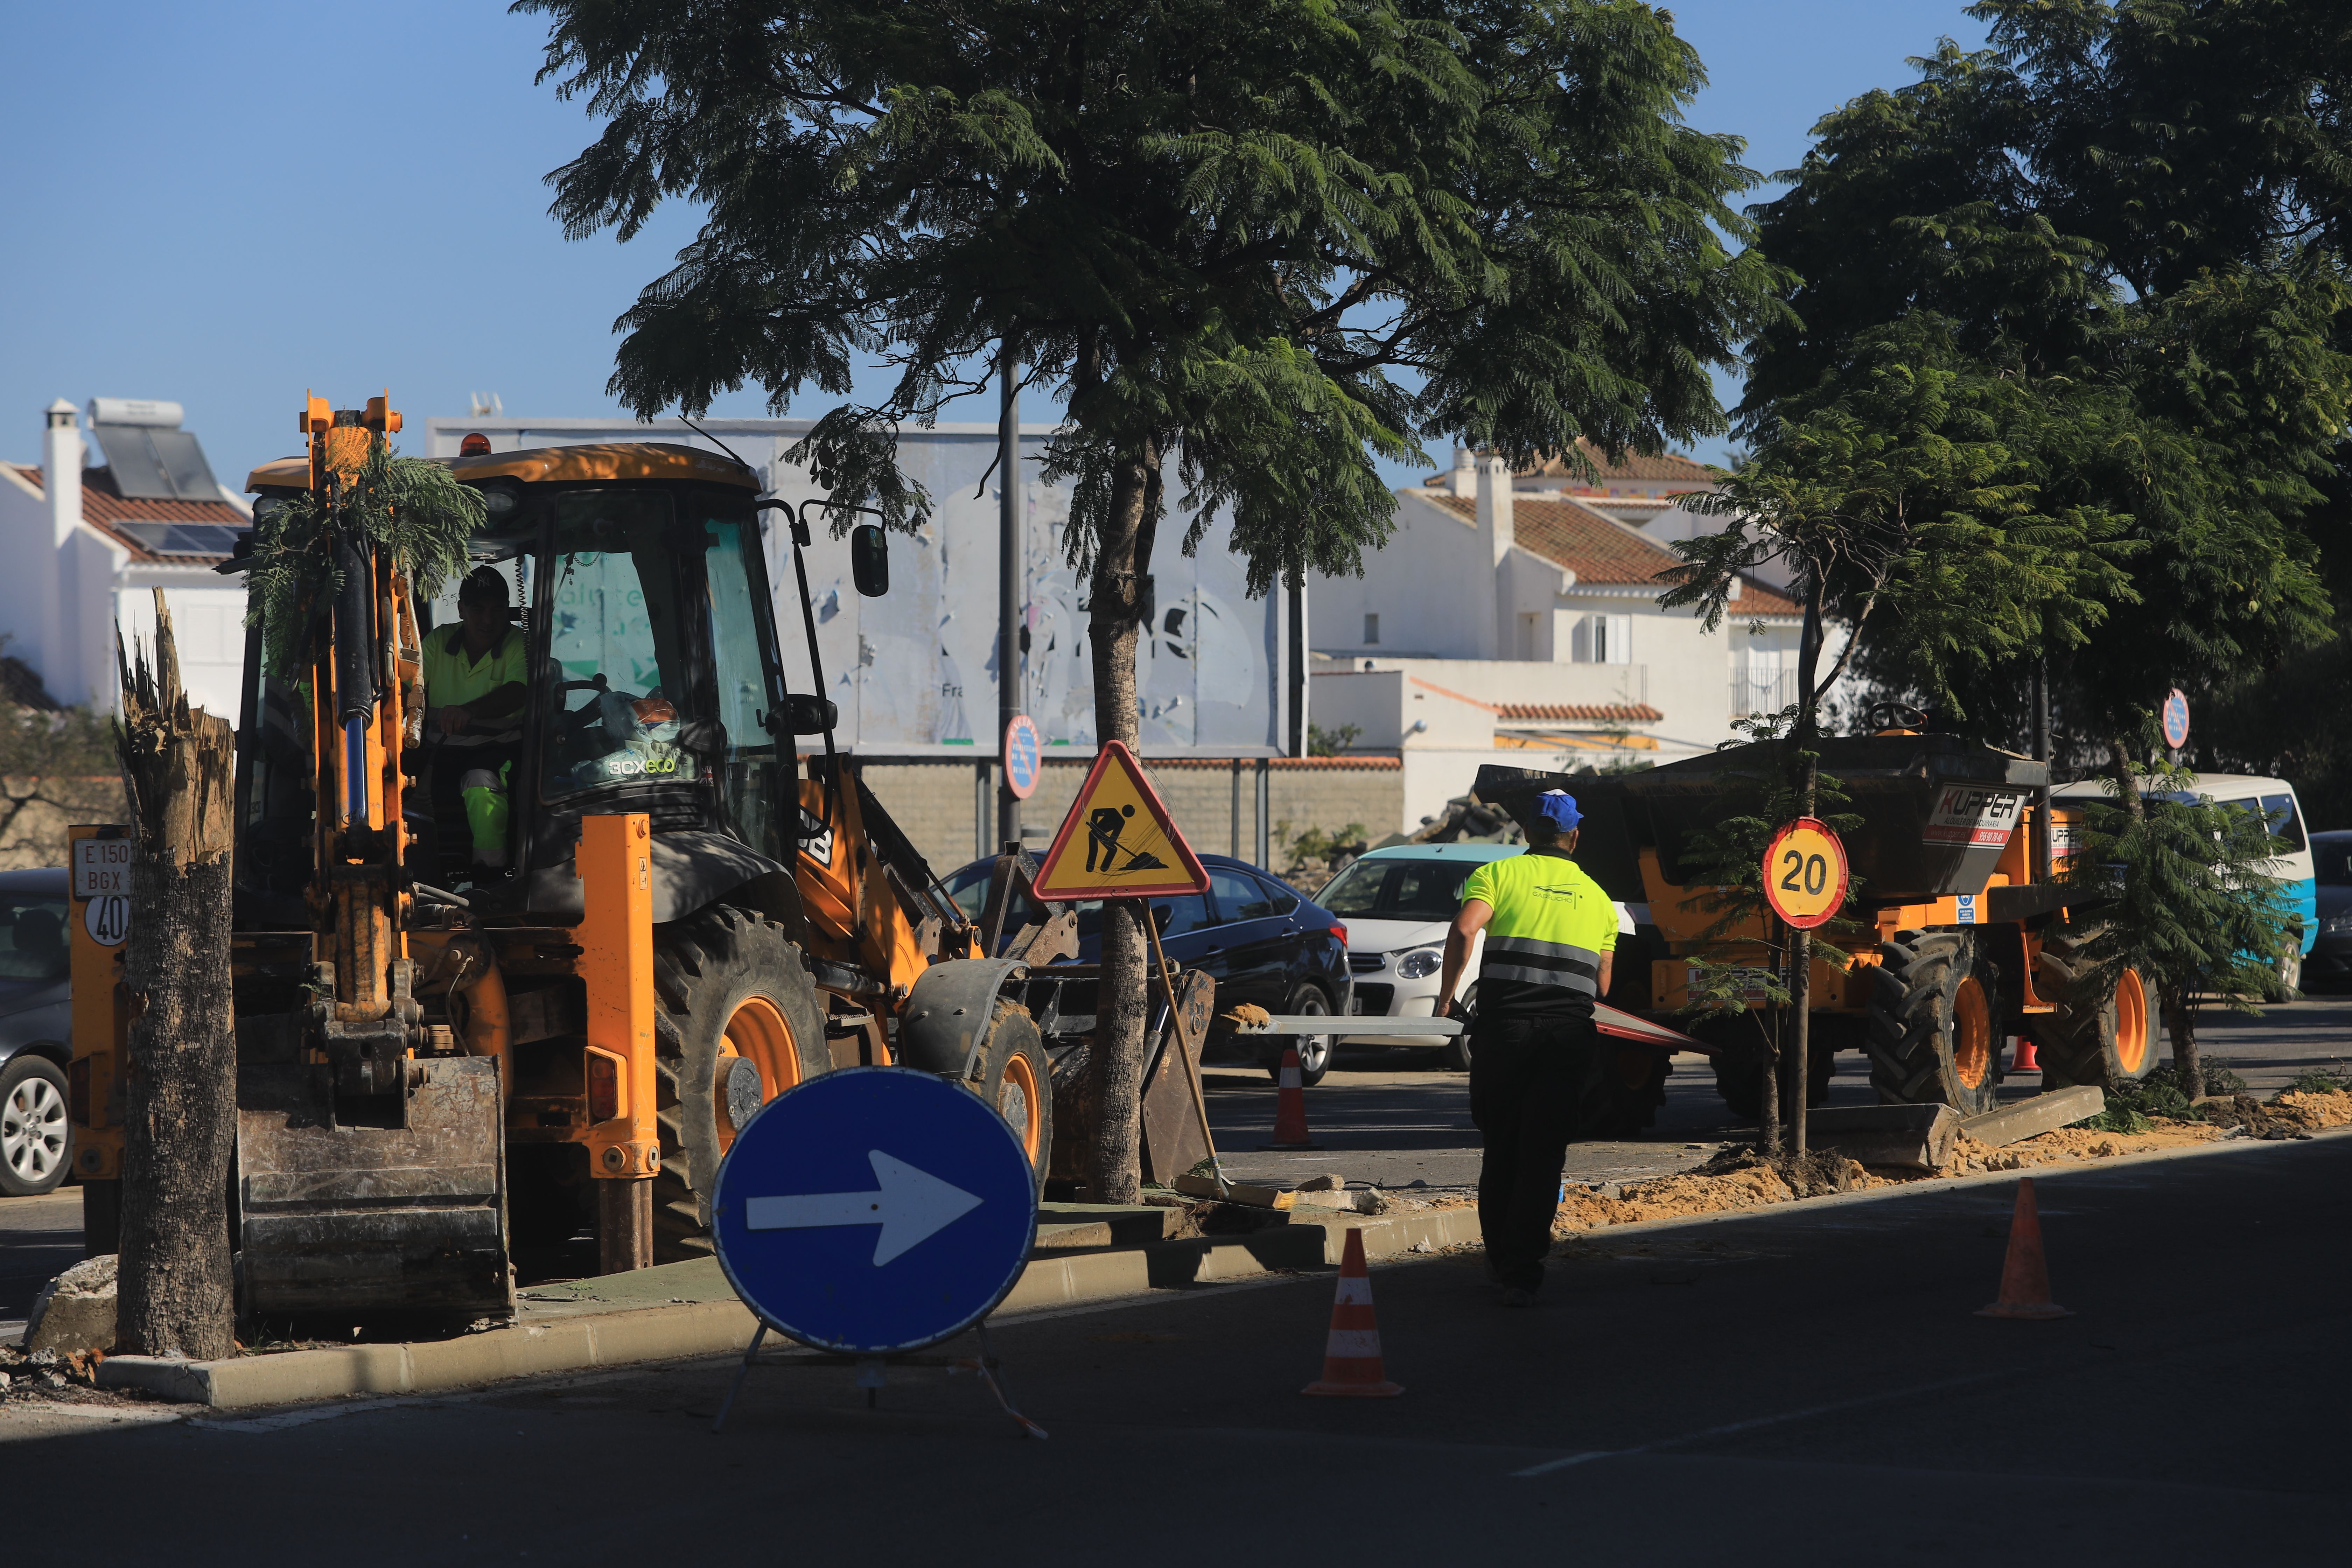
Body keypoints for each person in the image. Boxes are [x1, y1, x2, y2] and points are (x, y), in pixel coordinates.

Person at [1433, 789, 1618, 1308]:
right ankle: (1523, 1274)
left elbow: (1465, 929)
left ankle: (1499, 1258)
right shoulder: (1600, 899)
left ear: (1527, 832)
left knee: (1502, 1147)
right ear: (1575, 837)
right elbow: (1603, 985)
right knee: (1543, 1154)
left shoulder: (1499, 874)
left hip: (1505, 1032)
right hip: (1567, 1038)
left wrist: (1447, 998)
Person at [421, 566, 528, 877]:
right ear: (461, 610)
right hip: (439, 752)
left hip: (498, 750)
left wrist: (469, 711)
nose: (488, 620)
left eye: (498, 610)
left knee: (481, 783)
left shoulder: (519, 643)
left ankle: (491, 876)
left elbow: (518, 692)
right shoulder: (439, 641)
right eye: (478, 609)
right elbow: (408, 684)